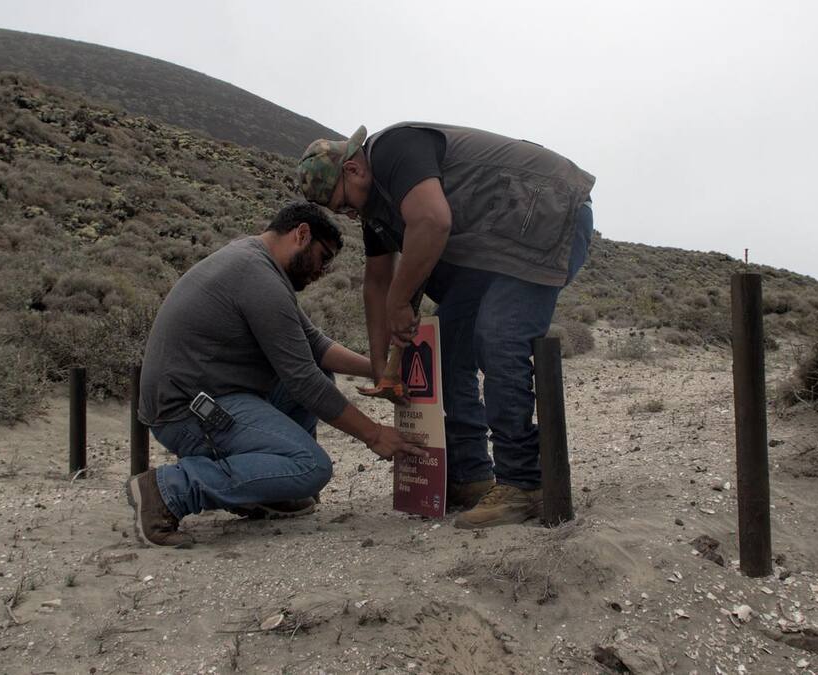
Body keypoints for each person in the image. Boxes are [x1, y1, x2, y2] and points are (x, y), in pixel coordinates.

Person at [297, 123, 595, 529]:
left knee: (498, 335)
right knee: (450, 346)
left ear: (353, 170)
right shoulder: (376, 209)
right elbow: (377, 284)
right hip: (496, 243)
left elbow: (434, 221)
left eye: (343, 204)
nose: (347, 215)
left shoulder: (393, 148)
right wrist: (383, 365)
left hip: (546, 211)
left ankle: (523, 482)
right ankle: (472, 476)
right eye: (339, 213)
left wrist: (402, 302)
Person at [127, 202, 424, 547]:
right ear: (301, 234)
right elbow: (302, 378)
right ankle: (168, 490)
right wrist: (374, 434)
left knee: (322, 375)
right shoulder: (257, 275)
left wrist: (380, 369)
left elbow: (313, 345)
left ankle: (268, 493)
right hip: (187, 411)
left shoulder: (256, 263)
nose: (323, 271)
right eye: (323, 257)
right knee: (311, 468)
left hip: (207, 395)